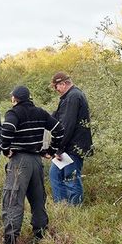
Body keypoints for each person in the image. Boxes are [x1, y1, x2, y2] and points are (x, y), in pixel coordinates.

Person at [0, 86, 64, 244]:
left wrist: (6, 150)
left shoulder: (13, 113)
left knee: (13, 200)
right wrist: (50, 150)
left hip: (19, 161)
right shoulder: (40, 112)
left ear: (15, 98)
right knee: (38, 200)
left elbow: (7, 130)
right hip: (36, 161)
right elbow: (59, 130)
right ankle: (40, 237)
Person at [49, 72, 93, 205]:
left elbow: (67, 125)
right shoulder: (69, 96)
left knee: (71, 179)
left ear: (63, 84)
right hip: (68, 147)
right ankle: (62, 206)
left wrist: (58, 149)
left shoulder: (73, 97)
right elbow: (58, 117)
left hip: (73, 148)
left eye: (56, 87)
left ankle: (74, 210)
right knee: (54, 174)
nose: (55, 90)